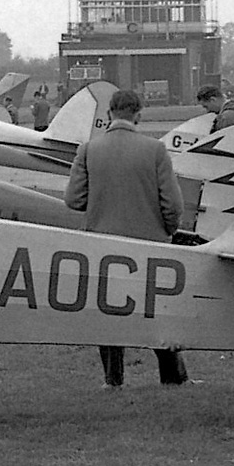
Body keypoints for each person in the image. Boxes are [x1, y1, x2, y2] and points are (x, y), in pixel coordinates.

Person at [65, 89, 187, 387]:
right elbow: (173, 204)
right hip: (150, 244)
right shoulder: (156, 149)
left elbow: (73, 200)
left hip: (102, 245)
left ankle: (113, 379)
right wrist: (167, 230)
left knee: (108, 312)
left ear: (109, 114)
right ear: (138, 115)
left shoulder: (88, 150)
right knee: (158, 312)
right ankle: (173, 377)